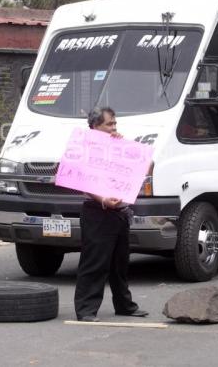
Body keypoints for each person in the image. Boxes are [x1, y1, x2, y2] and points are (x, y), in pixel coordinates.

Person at [74, 107, 149, 322]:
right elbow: (83, 180)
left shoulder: (119, 147)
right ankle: (86, 310)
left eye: (115, 124)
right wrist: (103, 200)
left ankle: (124, 305)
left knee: (120, 263)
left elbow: (147, 167)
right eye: (109, 124)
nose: (113, 128)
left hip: (120, 211)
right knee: (95, 262)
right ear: (95, 127)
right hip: (97, 211)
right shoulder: (83, 149)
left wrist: (126, 147)